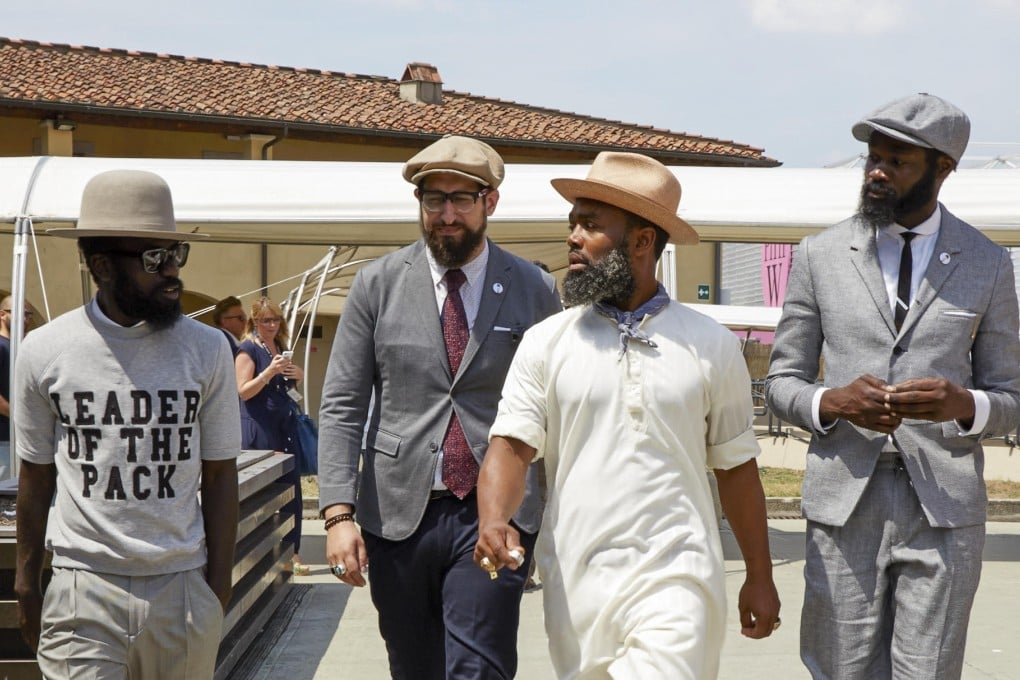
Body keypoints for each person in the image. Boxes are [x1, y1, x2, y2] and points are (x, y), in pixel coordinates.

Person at [475, 151, 781, 679]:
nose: (573, 237)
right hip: (575, 580)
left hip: (678, 572)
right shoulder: (547, 342)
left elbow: (736, 467)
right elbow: (511, 447)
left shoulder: (710, 345)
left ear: (642, 241)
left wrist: (760, 574)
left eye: (591, 226)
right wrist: (494, 520)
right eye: (573, 223)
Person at [765, 93, 1020, 679]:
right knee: (839, 669)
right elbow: (781, 381)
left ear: (943, 169)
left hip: (944, 507)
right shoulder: (820, 255)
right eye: (872, 158)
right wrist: (832, 401)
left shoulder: (987, 263)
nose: (877, 172)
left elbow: (1010, 397)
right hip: (844, 497)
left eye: (897, 163)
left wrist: (966, 405)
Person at [318, 134, 560, 679]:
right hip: (396, 513)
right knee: (414, 666)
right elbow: (341, 403)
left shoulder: (534, 288)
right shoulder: (375, 285)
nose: (446, 214)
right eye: (434, 199)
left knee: (479, 666)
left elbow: (552, 406)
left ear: (489, 203)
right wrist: (338, 514)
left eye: (461, 199)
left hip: (494, 512)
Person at [13, 169, 240, 679]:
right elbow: (36, 474)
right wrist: (28, 580)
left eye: (176, 253)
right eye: (154, 259)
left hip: (181, 584)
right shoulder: (46, 350)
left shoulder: (207, 349)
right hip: (82, 588)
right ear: (102, 266)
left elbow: (221, 473)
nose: (172, 272)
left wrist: (215, 592)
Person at [234, 296, 307, 574]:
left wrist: (296, 375)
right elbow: (242, 390)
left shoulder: (281, 347)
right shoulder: (248, 349)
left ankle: (293, 552)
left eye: (276, 319)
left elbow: (287, 389)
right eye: (266, 320)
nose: (272, 324)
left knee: (292, 490)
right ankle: (258, 556)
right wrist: (268, 372)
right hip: (258, 429)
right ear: (255, 322)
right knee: (261, 494)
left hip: (284, 427)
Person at [0, 295, 33, 480]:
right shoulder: (1, 346)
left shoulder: (18, 347)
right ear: (2, 315)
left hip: (16, 439)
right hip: (4, 439)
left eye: (29, 315)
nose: (26, 319)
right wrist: (20, 417)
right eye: (21, 313)